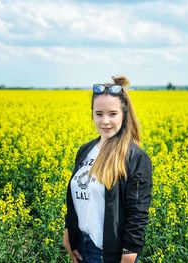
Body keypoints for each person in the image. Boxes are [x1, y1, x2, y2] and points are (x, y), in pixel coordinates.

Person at [63, 75, 152, 263]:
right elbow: (79, 195)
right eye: (99, 114)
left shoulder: (135, 157)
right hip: (82, 246)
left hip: (108, 253)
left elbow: (137, 213)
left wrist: (129, 254)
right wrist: (68, 234)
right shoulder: (85, 151)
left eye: (112, 114)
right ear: (92, 114)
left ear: (124, 114)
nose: (105, 121)